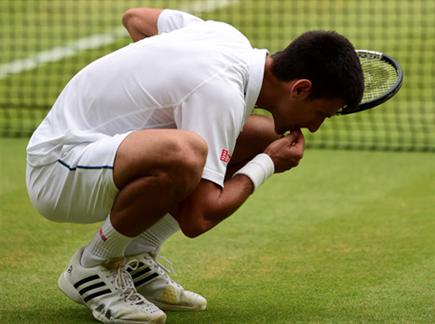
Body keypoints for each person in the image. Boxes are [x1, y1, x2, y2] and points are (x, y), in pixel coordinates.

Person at [25, 7, 364, 324]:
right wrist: (267, 163)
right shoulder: (221, 94)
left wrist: (152, 95)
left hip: (100, 155)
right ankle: (94, 265)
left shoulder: (226, 36)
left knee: (258, 135)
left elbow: (138, 19)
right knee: (185, 153)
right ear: (300, 89)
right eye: (321, 114)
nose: (315, 127)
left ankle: (136, 254)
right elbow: (197, 218)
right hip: (58, 169)